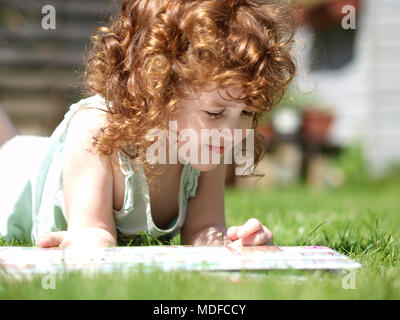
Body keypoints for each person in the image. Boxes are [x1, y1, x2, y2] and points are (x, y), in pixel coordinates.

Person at [0, 0, 296, 249]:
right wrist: (86, 241)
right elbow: (94, 233)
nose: (232, 134)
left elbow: (204, 232)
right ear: (160, 88)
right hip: (14, 175)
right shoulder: (95, 129)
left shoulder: (208, 146)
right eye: (215, 114)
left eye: (246, 113)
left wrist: (240, 245)